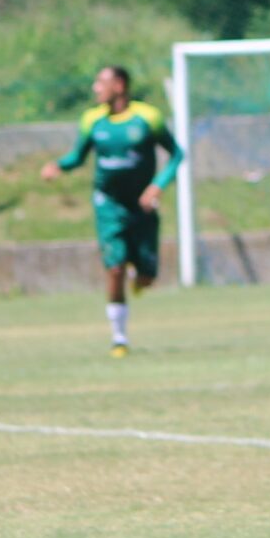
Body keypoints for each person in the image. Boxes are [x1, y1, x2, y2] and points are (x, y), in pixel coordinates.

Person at [41, 66, 181, 358]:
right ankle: (119, 339)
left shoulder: (147, 117)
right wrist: (58, 165)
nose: (95, 88)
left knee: (145, 277)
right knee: (114, 268)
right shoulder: (92, 120)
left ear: (119, 85)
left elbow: (176, 153)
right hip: (109, 205)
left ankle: (141, 277)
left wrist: (157, 186)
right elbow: (78, 156)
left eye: (101, 83)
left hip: (142, 206)